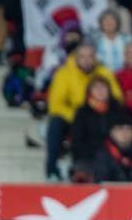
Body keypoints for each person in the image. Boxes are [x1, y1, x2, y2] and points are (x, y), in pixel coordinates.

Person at [45, 43, 122, 181]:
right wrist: (78, 116)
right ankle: (52, 169)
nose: (86, 60)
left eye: (90, 56)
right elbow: (55, 105)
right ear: (76, 58)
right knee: (55, 123)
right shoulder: (64, 73)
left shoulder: (104, 72)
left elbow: (117, 97)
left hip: (99, 114)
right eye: (82, 57)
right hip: (73, 116)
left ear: (95, 58)